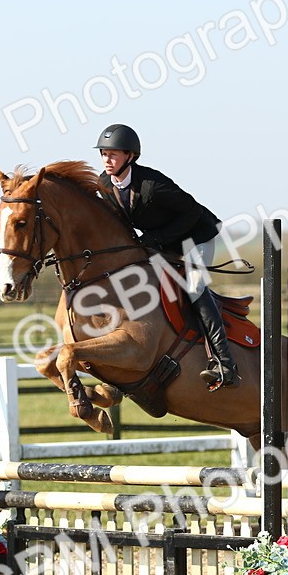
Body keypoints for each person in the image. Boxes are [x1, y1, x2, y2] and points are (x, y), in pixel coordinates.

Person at [93, 123, 239, 391]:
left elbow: (192, 212)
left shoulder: (151, 184)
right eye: (104, 153)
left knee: (194, 287)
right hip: (163, 241)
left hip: (197, 236)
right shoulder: (103, 184)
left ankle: (224, 363)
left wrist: (156, 237)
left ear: (130, 156)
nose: (107, 160)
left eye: (113, 154)